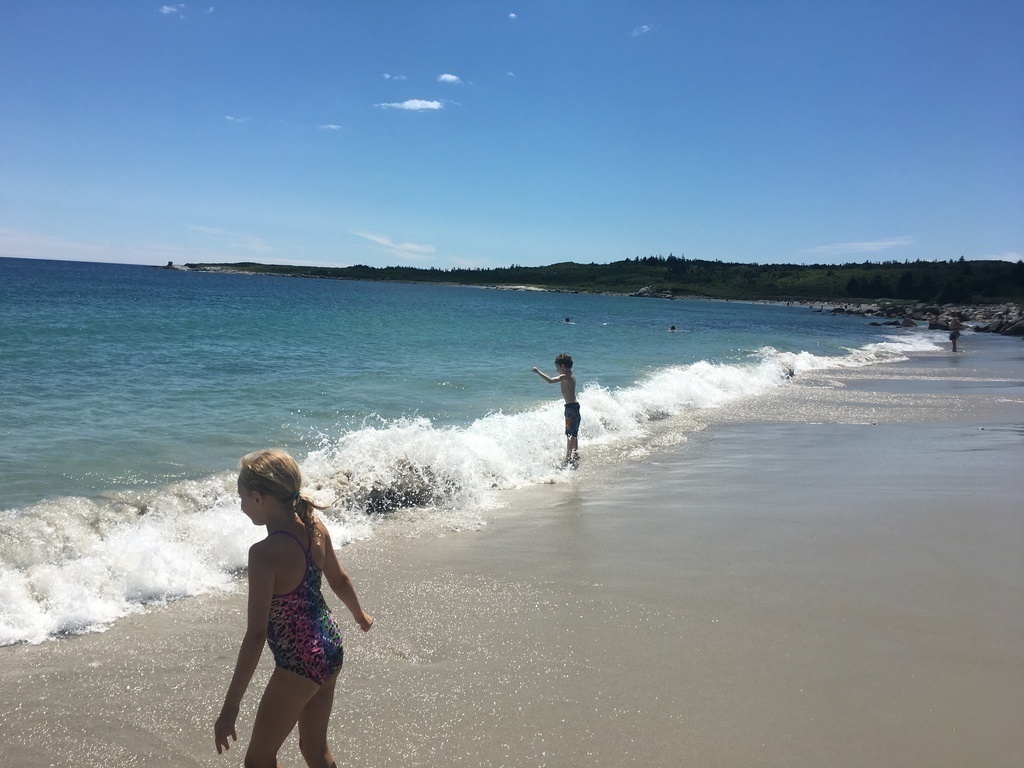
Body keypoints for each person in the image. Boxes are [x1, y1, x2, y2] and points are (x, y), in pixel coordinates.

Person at [215, 449, 373, 767]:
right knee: (314, 750)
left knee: (258, 760)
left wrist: (231, 705)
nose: (241, 506)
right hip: (330, 645)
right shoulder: (315, 527)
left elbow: (256, 634)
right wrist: (360, 615)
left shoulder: (264, 554)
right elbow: (339, 580)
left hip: (300, 661)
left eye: (242, 497)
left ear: (258, 498)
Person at [532, 353, 580, 467]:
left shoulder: (566, 376)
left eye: (557, 367)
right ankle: (575, 453)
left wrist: (538, 372)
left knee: (570, 434)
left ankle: (568, 458)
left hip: (571, 408)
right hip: (574, 406)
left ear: (562, 366)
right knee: (573, 432)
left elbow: (550, 381)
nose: (557, 370)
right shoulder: (571, 375)